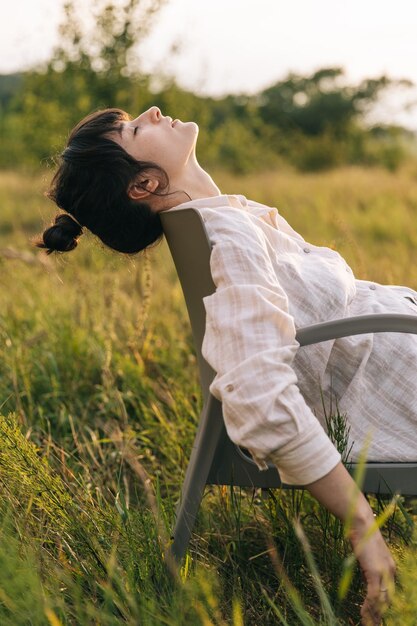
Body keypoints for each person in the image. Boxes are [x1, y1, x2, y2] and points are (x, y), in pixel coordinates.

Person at [36, 105, 405, 625]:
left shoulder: (224, 216)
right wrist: (364, 531)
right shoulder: (226, 238)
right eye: (136, 128)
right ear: (143, 184)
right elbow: (257, 392)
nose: (153, 111)